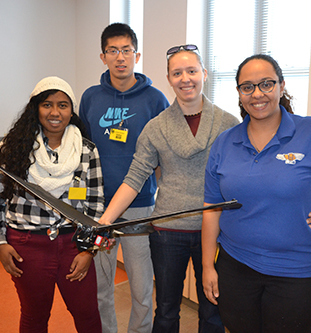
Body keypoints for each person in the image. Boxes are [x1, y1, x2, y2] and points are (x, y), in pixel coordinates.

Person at [202, 54, 311, 333]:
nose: (257, 93)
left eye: (266, 84)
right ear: (239, 93)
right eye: (247, 86)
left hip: (297, 274)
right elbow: (212, 208)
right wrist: (207, 266)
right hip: (235, 267)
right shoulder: (225, 142)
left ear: (282, 86)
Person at [98, 44, 239, 333]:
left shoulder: (229, 124)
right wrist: (105, 220)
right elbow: (135, 177)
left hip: (214, 230)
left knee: (213, 310)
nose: (185, 78)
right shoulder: (156, 127)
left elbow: (242, 177)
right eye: (177, 73)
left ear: (204, 73)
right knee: (165, 311)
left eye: (191, 71)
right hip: (168, 231)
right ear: (169, 78)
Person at [0, 76, 104, 333]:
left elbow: (95, 206)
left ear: (71, 111)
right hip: (28, 246)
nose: (55, 112)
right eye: (47, 104)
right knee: (34, 317)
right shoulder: (13, 147)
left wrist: (88, 251)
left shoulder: (86, 150)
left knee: (88, 315)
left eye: (63, 105)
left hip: (74, 245)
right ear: (36, 108)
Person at [79, 23, 169, 333]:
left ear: (137, 55)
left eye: (126, 50)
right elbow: (84, 152)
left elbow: (164, 154)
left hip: (140, 207)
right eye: (113, 51)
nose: (121, 57)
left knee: (142, 288)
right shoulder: (90, 98)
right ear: (103, 57)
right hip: (100, 210)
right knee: (101, 287)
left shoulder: (155, 99)